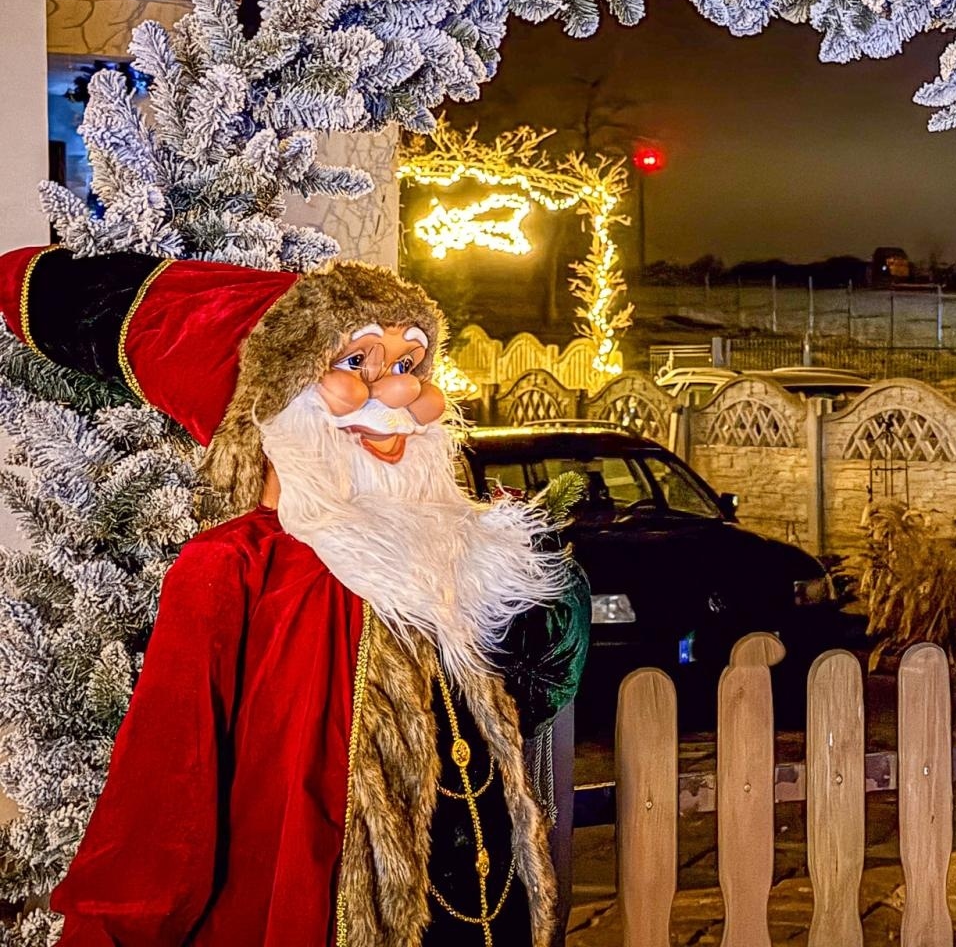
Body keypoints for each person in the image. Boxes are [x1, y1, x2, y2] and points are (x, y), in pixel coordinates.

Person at [0, 244, 589, 947]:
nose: (399, 394)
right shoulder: (235, 565)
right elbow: (166, 788)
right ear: (271, 400)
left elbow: (533, 694)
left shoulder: (444, 554)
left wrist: (532, 576)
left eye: (408, 366)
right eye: (357, 361)